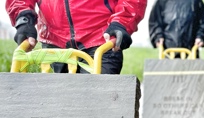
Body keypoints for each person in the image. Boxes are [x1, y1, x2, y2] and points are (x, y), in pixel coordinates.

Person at [5, 0, 147, 74]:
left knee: (98, 107)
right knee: (56, 108)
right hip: (54, 40)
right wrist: (23, 18)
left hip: (101, 39)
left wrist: (122, 22)